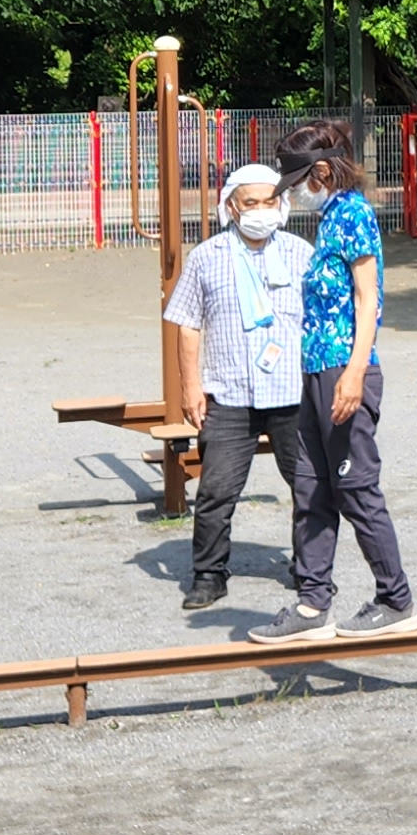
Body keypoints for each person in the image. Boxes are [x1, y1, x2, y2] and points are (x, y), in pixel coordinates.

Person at [264, 120, 417, 642]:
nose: (296, 195)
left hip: (344, 369)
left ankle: (395, 598)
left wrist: (354, 373)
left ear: (322, 171)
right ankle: (312, 604)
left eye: (299, 181)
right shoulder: (328, 220)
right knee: (309, 485)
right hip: (314, 370)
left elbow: (368, 298)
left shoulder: (353, 214)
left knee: (354, 486)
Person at [164, 158, 312, 610]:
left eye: (270, 201)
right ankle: (209, 574)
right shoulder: (206, 257)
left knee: (309, 484)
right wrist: (191, 387)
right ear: (231, 206)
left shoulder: (301, 253)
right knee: (216, 490)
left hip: (293, 391)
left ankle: (309, 569)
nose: (262, 210)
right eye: (251, 202)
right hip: (228, 392)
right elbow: (186, 324)